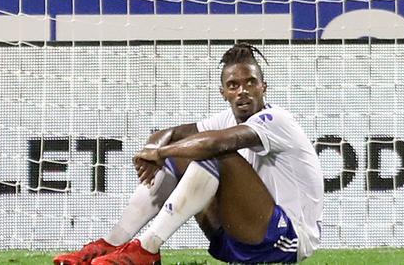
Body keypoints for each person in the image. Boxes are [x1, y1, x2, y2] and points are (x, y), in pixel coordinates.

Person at [55, 44, 324, 265]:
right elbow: (171, 133)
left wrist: (161, 152)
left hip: (286, 240)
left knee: (213, 153)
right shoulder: (227, 118)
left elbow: (212, 145)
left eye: (250, 82)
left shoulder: (276, 120)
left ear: (263, 87)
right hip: (235, 238)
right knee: (183, 154)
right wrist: (154, 150)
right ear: (223, 93)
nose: (242, 90)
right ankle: (109, 245)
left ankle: (146, 251)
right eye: (233, 85)